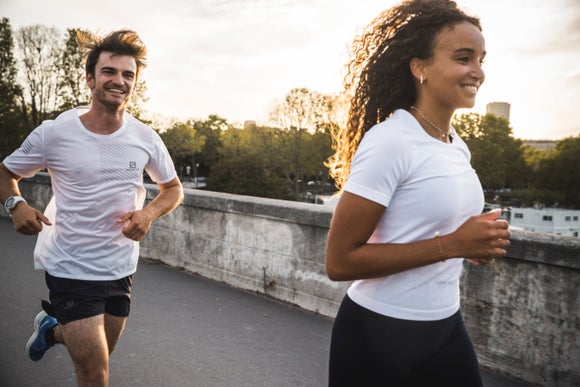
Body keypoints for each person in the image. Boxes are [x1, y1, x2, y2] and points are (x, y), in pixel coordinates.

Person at [324, 0, 511, 386]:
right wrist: (454, 244)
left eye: (481, 59)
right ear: (420, 68)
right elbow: (339, 262)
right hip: (377, 333)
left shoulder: (455, 144)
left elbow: (433, 230)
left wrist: (474, 243)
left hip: (445, 325)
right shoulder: (391, 141)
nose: (477, 71)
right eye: (464, 58)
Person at [0, 29, 183, 386]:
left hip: (120, 266)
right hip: (70, 265)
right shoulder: (55, 133)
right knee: (96, 373)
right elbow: (5, 171)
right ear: (90, 79)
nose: (119, 81)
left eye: (128, 75)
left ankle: (52, 331)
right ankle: (59, 325)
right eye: (109, 72)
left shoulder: (145, 137)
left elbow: (173, 189)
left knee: (96, 354)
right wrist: (15, 203)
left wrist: (147, 214)